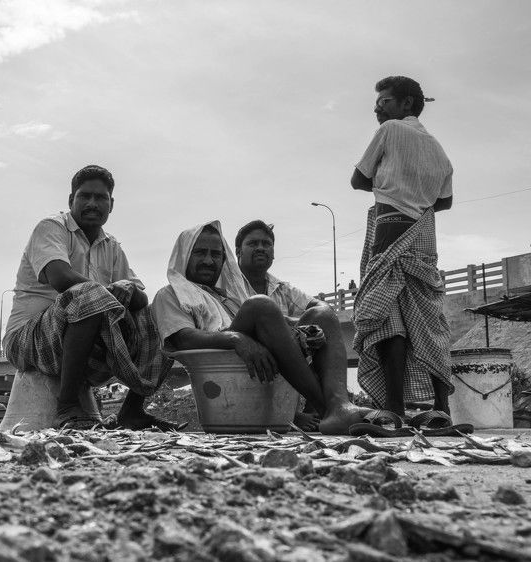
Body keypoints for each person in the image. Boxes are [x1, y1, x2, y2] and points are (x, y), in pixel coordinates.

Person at [2, 164, 179, 430]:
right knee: (89, 294)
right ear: (71, 200)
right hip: (29, 342)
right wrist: (111, 293)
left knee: (163, 313)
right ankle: (66, 406)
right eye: (85, 196)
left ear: (111, 204)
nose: (92, 203)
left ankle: (131, 411)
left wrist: (129, 289)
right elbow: (61, 278)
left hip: (85, 348)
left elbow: (140, 299)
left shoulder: (112, 246)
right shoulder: (52, 227)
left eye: (100, 198)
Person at [151, 222, 369, 434]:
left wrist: (304, 327)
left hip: (258, 359)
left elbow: (275, 320)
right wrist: (236, 339)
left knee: (322, 313)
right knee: (260, 304)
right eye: (200, 253)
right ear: (184, 256)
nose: (209, 260)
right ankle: (328, 410)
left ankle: (339, 404)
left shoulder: (226, 296)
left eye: (216, 254)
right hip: (227, 366)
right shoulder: (170, 294)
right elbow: (182, 338)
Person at [350, 75, 455, 426]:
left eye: (385, 100)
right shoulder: (440, 149)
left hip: (389, 229)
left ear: (407, 103)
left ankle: (394, 409)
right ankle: (441, 409)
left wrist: (394, 191)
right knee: (428, 319)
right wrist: (416, 199)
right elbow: (446, 201)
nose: (377, 107)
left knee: (386, 315)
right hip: (425, 236)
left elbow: (358, 179)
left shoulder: (390, 130)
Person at [234, 220, 357, 430]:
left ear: (273, 253)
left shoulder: (281, 287)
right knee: (263, 309)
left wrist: (282, 323)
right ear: (238, 251)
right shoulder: (227, 282)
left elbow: (319, 307)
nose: (261, 248)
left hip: (282, 355)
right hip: (243, 353)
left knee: (323, 316)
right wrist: (271, 320)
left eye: (266, 244)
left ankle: (338, 405)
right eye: (253, 243)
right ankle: (321, 410)